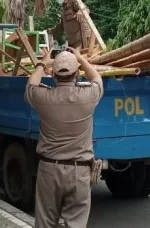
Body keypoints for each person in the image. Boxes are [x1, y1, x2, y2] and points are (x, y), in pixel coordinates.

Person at [25, 47, 103, 228]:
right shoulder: (88, 96)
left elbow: (31, 84)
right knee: (75, 224)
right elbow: (97, 79)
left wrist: (43, 63)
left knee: (45, 222)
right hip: (79, 172)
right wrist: (81, 59)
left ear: (52, 74)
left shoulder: (43, 97)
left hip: (49, 169)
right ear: (77, 73)